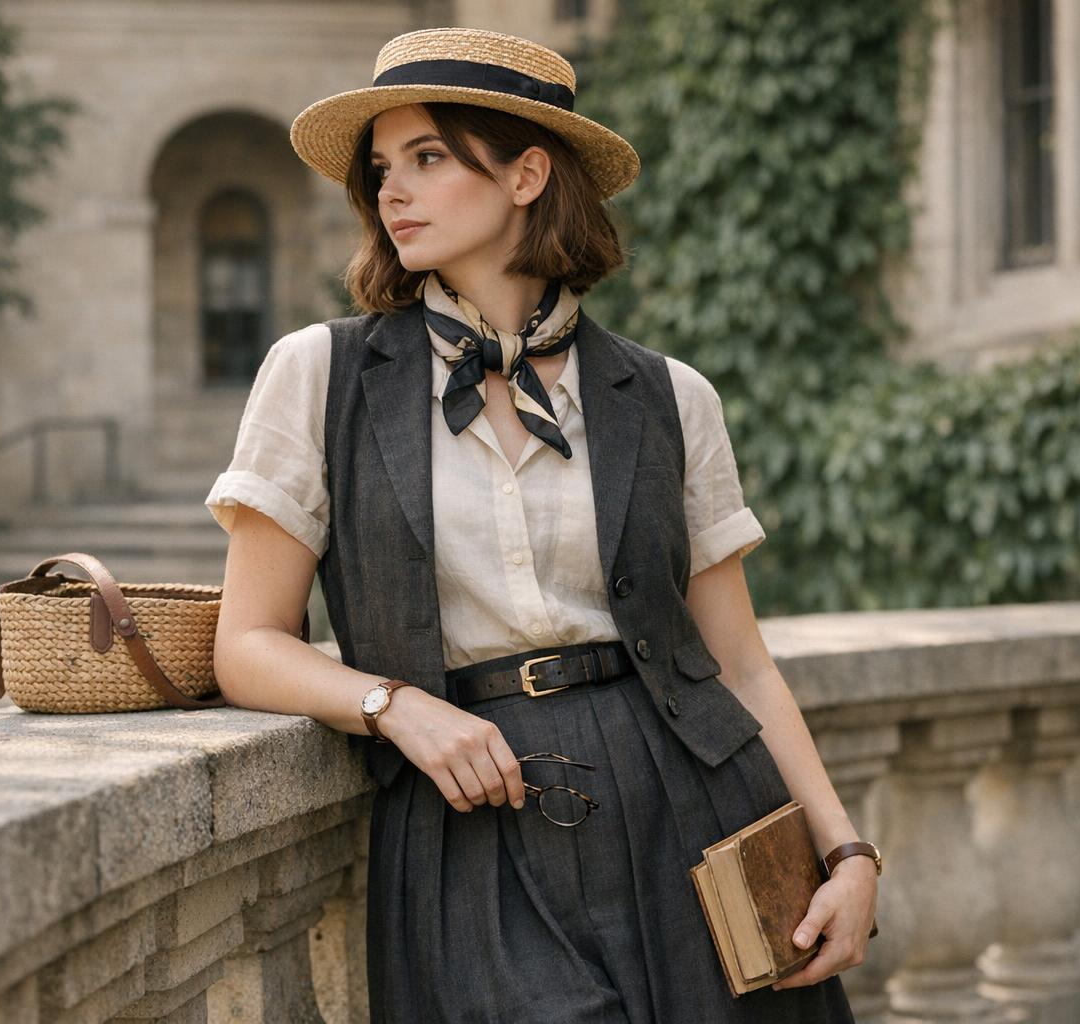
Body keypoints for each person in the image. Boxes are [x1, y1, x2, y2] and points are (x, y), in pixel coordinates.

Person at [205, 26, 878, 1023]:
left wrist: (846, 850)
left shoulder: (666, 395)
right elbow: (247, 645)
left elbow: (736, 662)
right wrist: (396, 706)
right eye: (383, 167)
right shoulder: (321, 373)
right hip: (467, 819)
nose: (394, 191)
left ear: (526, 173)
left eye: (430, 158)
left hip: (689, 805)